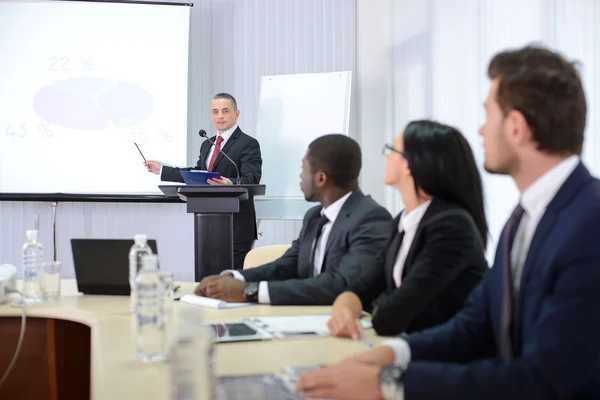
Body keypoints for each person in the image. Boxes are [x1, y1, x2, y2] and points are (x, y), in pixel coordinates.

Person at [296, 45, 600, 400]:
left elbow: (546, 379)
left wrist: (392, 384)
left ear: (516, 127)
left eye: (489, 115)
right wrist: (393, 355)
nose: (481, 130)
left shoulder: (589, 224)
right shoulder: (524, 218)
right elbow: (476, 325)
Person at [328, 120, 488, 339]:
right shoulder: (404, 220)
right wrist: (344, 313)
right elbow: (359, 289)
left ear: (410, 164)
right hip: (411, 347)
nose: (386, 156)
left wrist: (372, 308)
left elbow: (392, 316)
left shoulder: (451, 225)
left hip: (447, 357)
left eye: (392, 149)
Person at [194, 134, 393, 305]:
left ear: (321, 178)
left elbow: (341, 284)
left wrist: (250, 291)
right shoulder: (315, 217)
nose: (300, 176)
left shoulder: (371, 219)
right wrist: (233, 277)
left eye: (303, 168)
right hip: (304, 316)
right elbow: (287, 265)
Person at [145, 93, 262, 269]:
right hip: (209, 227)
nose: (220, 116)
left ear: (236, 114)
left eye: (225, 111)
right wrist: (163, 170)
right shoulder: (208, 143)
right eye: (215, 111)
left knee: (233, 282)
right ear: (210, 115)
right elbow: (198, 174)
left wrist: (229, 183)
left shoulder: (248, 143)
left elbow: (251, 178)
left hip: (236, 227)